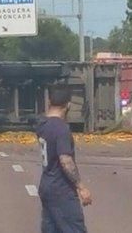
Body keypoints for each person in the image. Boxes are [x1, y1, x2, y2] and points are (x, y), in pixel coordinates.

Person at [36, 86, 92, 232]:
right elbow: (65, 160)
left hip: (46, 185)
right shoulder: (61, 128)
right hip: (61, 189)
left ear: (49, 101)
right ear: (68, 105)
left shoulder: (42, 125)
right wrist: (81, 187)